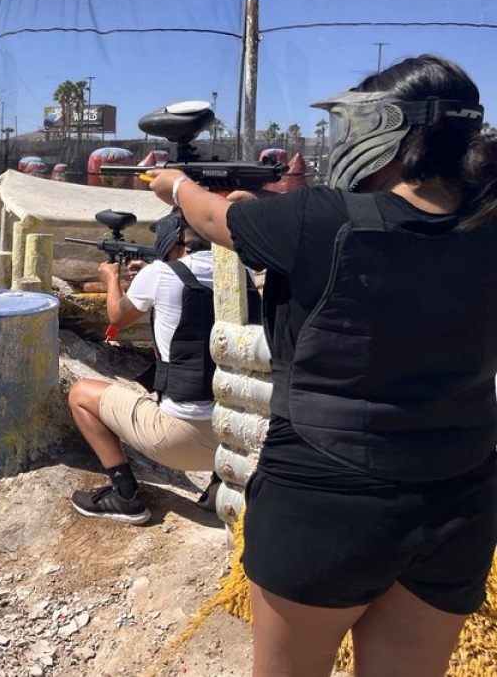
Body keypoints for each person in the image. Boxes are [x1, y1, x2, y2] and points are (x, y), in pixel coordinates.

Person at [148, 55, 497, 677]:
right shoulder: (484, 223)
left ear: (386, 128)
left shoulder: (321, 220)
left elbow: (208, 218)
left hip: (323, 499)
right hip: (458, 499)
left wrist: (173, 184)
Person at [67, 210, 220, 524]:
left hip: (179, 442)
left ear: (176, 235)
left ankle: (124, 495)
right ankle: (219, 490)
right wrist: (152, 272)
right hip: (233, 440)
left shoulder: (160, 275)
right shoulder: (238, 273)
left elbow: (117, 317)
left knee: (80, 393)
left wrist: (112, 280)